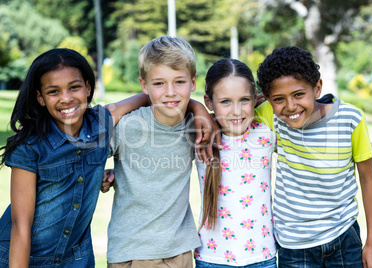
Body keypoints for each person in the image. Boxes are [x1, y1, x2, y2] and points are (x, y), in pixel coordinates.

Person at [0, 48, 146, 267]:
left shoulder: (100, 123)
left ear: (88, 87)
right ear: (40, 98)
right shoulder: (30, 146)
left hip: (76, 259)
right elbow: (21, 226)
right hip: (24, 258)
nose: (66, 98)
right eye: (53, 91)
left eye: (74, 87)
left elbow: (148, 96)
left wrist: (198, 109)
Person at [255, 46, 372, 268]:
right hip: (293, 244)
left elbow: (368, 179)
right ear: (267, 98)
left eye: (298, 94)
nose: (290, 106)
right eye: (278, 99)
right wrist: (201, 111)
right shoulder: (270, 116)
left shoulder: (350, 120)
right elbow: (226, 112)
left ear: (317, 88)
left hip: (343, 237)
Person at [105, 36, 201, 268]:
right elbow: (83, 156)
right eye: (159, 83)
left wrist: (200, 109)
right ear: (144, 85)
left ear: (193, 82)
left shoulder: (195, 126)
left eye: (179, 81)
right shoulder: (128, 127)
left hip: (178, 252)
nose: (170, 92)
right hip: (130, 252)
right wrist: (101, 172)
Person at [193, 59, 277, 268]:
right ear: (209, 102)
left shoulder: (266, 134)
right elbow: (158, 103)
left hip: (262, 256)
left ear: (255, 98)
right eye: (226, 102)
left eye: (244, 100)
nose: (237, 111)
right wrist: (197, 109)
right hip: (211, 257)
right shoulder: (199, 138)